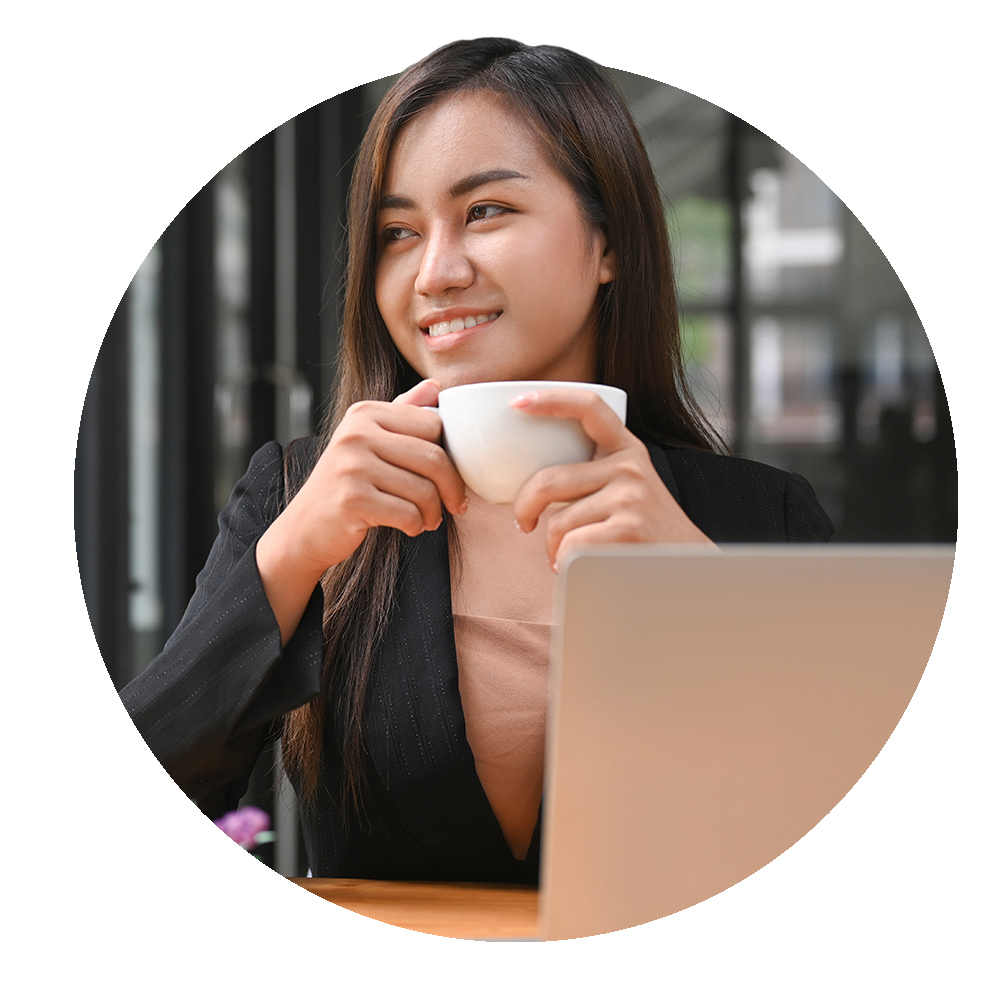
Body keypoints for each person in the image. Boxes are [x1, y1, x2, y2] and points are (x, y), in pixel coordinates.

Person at [121, 38, 833, 884]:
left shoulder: (763, 519)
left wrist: (699, 590)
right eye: (397, 232)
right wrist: (295, 549)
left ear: (607, 242)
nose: (436, 272)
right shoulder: (299, 496)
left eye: (486, 212)